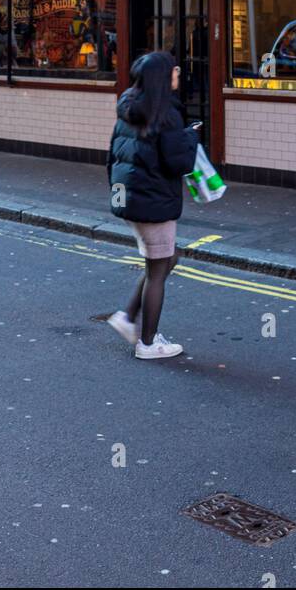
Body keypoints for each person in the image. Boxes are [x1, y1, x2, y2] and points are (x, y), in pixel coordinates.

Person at [105, 51, 200, 361]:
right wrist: (190, 137)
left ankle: (127, 316)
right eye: (173, 70)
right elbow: (178, 163)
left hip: (129, 195)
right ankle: (147, 343)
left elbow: (113, 153)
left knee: (168, 257)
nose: (177, 74)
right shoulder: (166, 113)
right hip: (152, 199)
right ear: (162, 77)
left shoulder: (129, 104)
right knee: (159, 269)